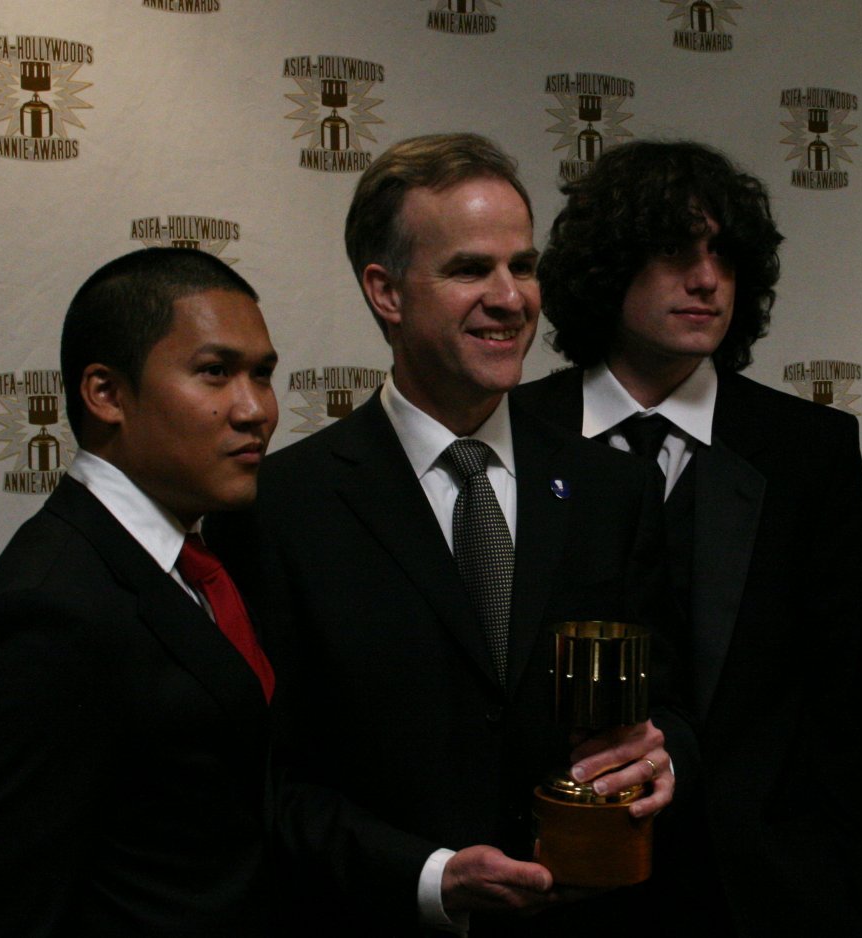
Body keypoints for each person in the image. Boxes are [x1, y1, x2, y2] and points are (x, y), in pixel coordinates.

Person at [222, 133, 693, 935]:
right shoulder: (283, 508)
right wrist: (431, 878)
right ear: (386, 291)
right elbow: (264, 783)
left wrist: (661, 757)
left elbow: (673, 703)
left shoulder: (613, 489)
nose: (512, 298)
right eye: (471, 269)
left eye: (524, 265)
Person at [512, 140, 862, 934]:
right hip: (555, 886)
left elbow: (841, 702)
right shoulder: (515, 433)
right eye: (674, 251)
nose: (707, 279)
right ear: (609, 266)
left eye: (723, 255)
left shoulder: (808, 450)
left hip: (763, 896)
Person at [0, 247, 280, 936]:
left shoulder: (201, 559)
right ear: (106, 394)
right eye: (215, 373)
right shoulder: (45, 612)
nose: (256, 409)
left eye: (263, 375)